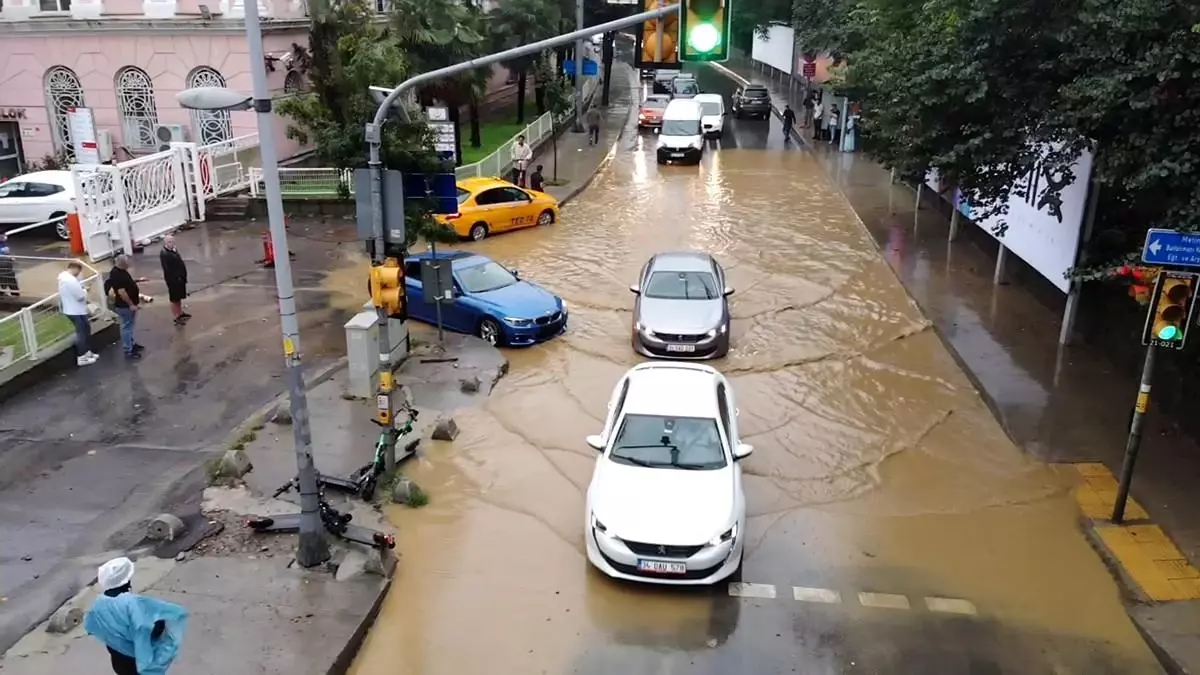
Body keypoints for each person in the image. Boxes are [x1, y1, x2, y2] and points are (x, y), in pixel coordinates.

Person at [85, 557, 188, 675]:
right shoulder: (133, 604)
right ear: (127, 581)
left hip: (117, 660)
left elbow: (92, 625)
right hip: (136, 663)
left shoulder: (98, 603)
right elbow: (147, 629)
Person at [106, 255, 146, 360]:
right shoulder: (117, 274)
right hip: (124, 306)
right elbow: (122, 292)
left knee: (130, 325)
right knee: (127, 327)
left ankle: (131, 344)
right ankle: (128, 349)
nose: (129, 264)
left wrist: (137, 281)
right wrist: (131, 304)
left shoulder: (121, 271)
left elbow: (127, 283)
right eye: (127, 262)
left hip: (128, 305)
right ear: (122, 263)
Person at [58, 260, 98, 367]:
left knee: (86, 329)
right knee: (82, 333)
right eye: (78, 271)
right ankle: (81, 357)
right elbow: (80, 296)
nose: (78, 274)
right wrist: (85, 291)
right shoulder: (70, 280)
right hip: (75, 310)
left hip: (73, 309)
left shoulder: (64, 278)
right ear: (75, 268)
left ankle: (87, 352)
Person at [159, 235, 190, 326]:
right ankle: (176, 316)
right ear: (165, 243)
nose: (172, 244)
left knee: (179, 297)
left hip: (179, 279)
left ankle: (180, 313)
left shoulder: (173, 251)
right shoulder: (165, 254)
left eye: (172, 242)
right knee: (174, 298)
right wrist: (176, 278)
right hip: (173, 281)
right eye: (169, 242)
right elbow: (168, 269)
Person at [0, 233, 18, 297]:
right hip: (3, 266)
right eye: (2, 236)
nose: (4, 237)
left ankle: (15, 294)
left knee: (11, 281)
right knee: (6, 280)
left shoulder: (4, 244)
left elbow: (7, 252)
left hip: (7, 266)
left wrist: (11, 257)